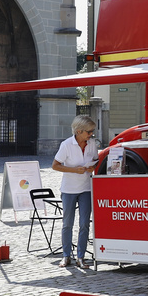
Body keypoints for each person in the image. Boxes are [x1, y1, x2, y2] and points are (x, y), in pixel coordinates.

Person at [52, 114, 99, 267]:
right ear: (79, 131)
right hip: (69, 189)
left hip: (86, 188)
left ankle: (81, 256)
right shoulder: (66, 145)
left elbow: (96, 161)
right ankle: (66, 256)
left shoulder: (92, 144)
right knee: (67, 223)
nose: (91, 134)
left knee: (85, 223)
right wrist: (74, 170)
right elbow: (55, 165)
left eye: (92, 131)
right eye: (89, 131)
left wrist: (92, 167)